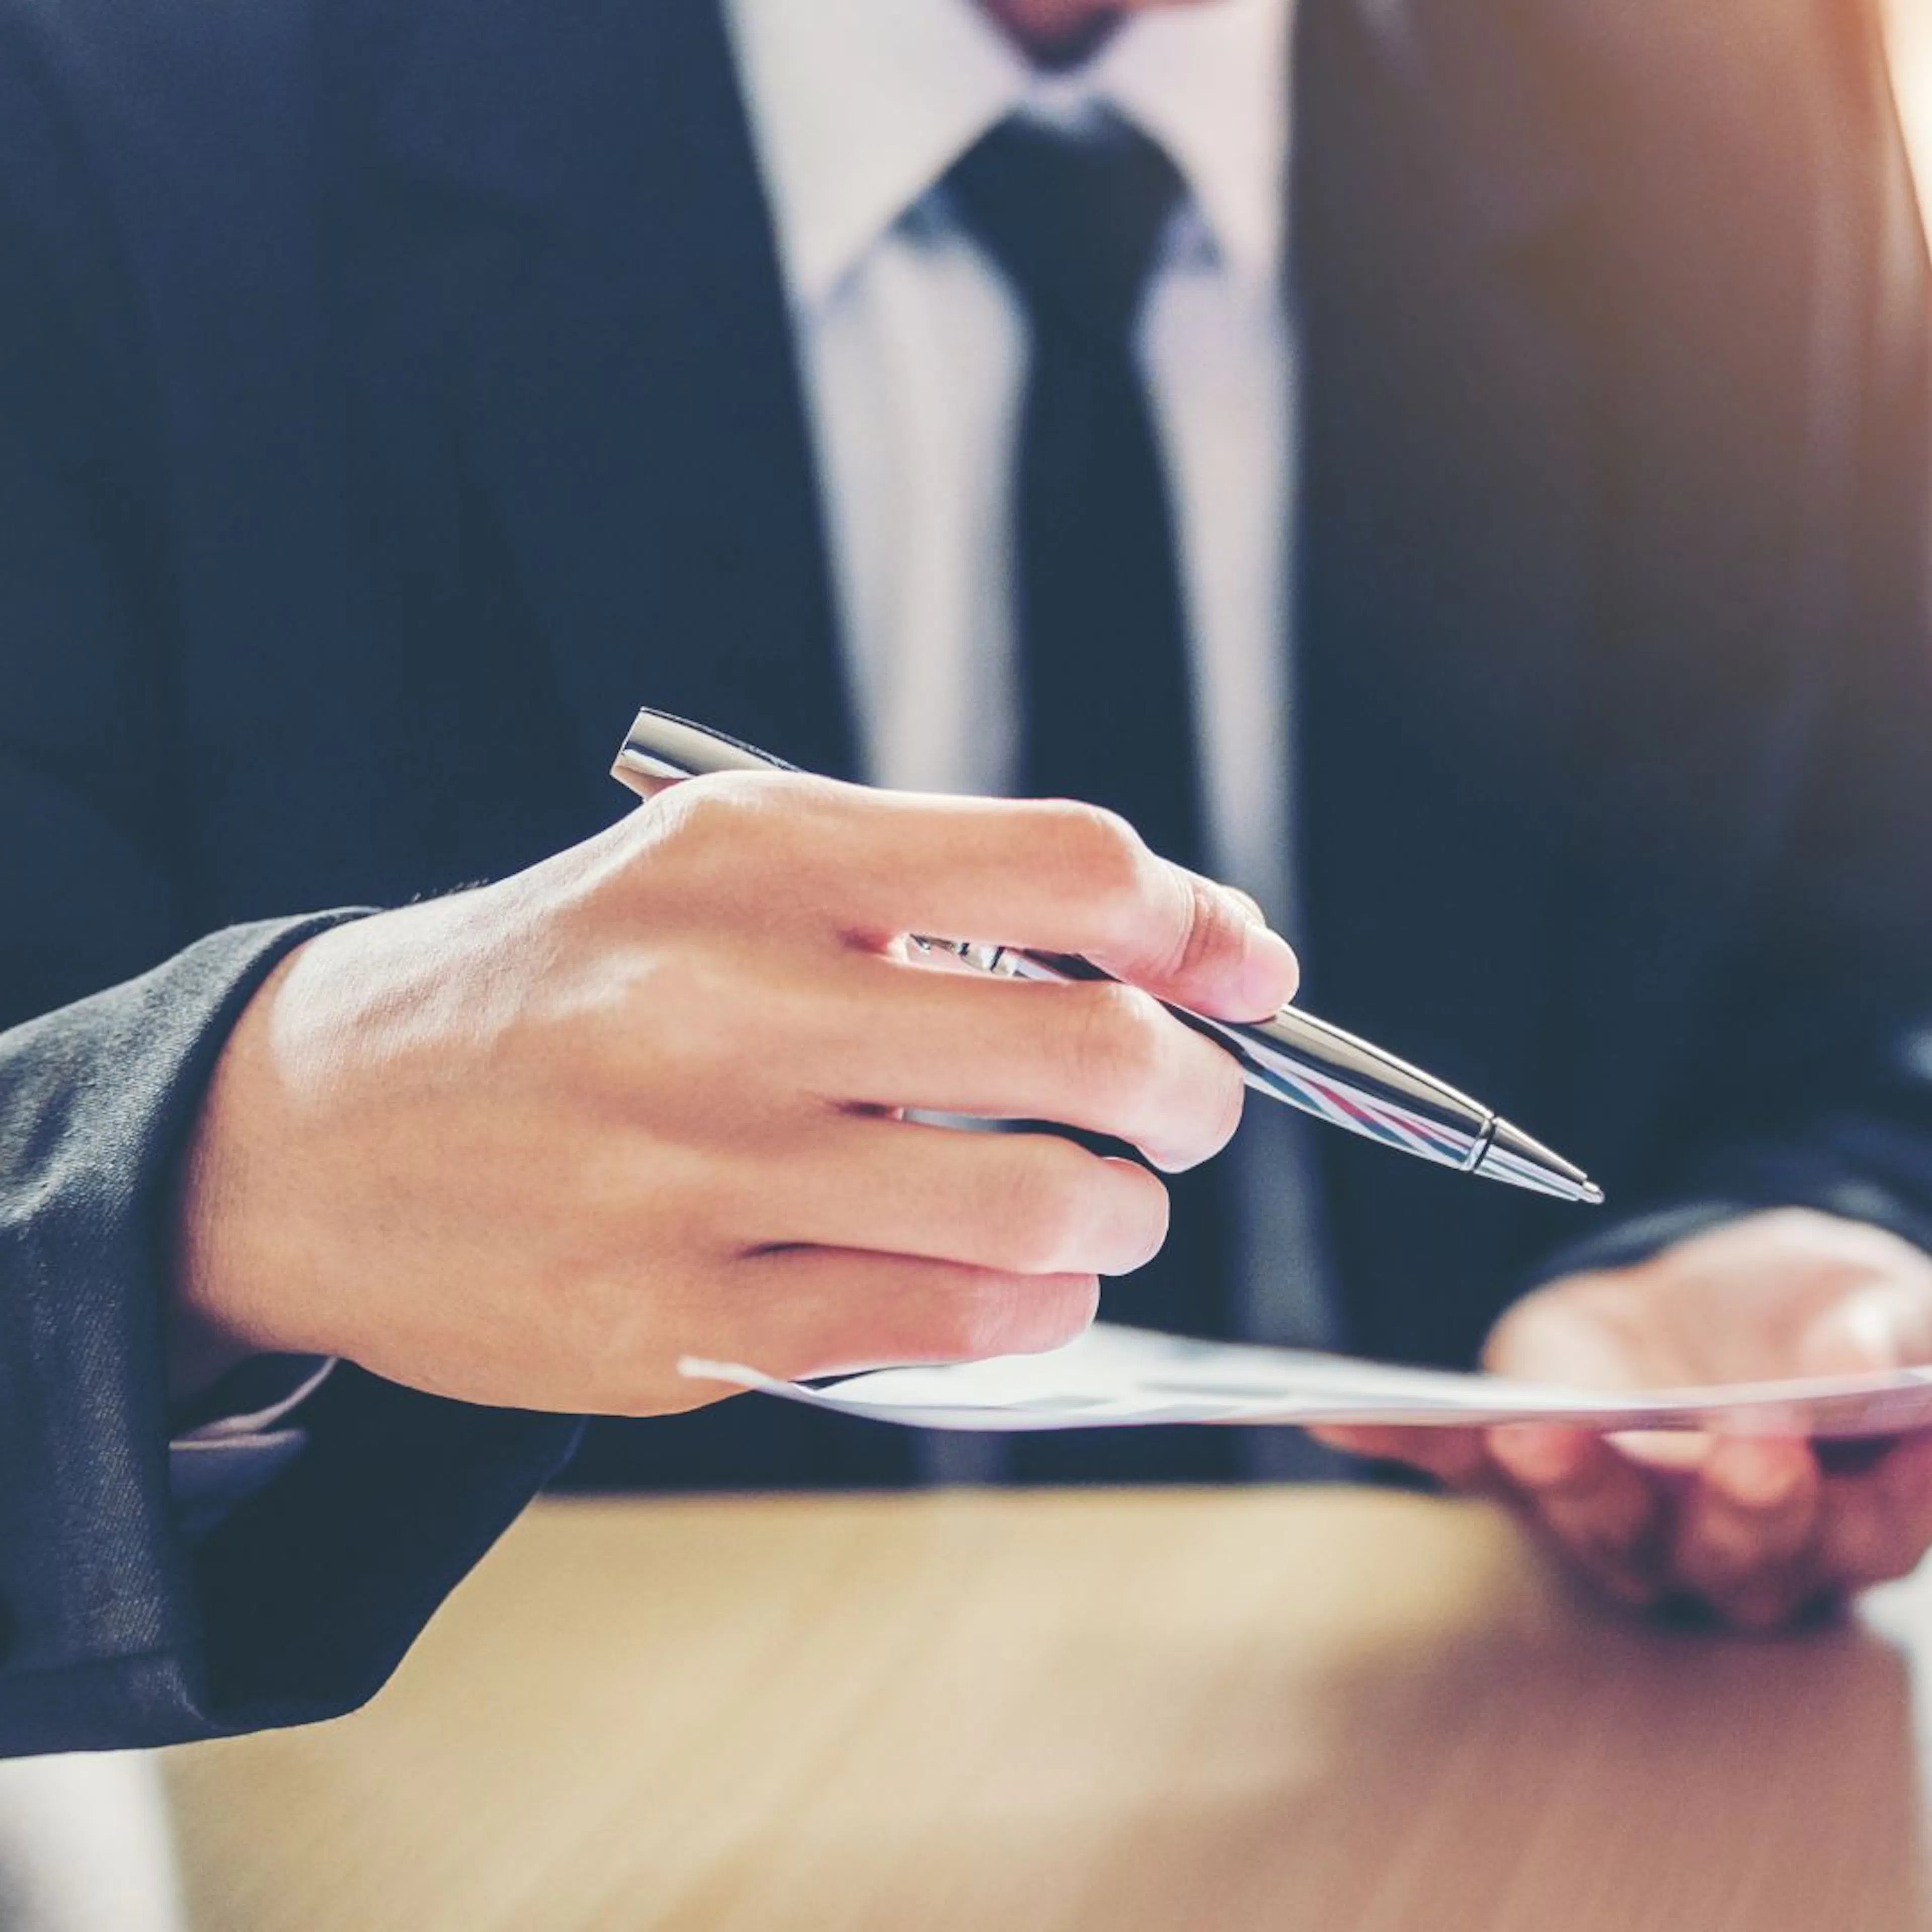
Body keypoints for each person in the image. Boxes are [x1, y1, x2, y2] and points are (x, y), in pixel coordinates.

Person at [4, 0, 1932, 1760]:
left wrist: (1765, 1240)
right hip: (553, 1796)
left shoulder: (1730, 77)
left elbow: (1845, 970)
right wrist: (224, 1168)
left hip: (1486, 1752)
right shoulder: (116, 102)